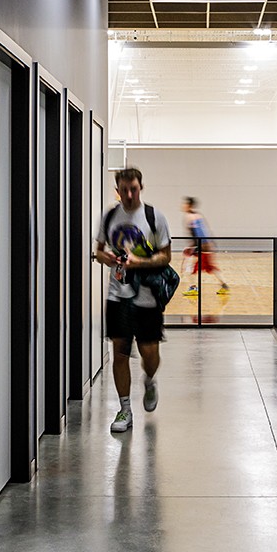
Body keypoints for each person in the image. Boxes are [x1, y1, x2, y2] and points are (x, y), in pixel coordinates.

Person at [93, 167, 171, 432]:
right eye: (124, 190)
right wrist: (108, 259)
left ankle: (149, 380)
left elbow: (165, 256)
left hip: (147, 298)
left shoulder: (154, 216)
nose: (129, 194)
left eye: (133, 189)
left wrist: (140, 261)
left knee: (150, 353)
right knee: (120, 353)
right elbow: (99, 251)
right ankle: (125, 410)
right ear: (118, 190)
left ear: (141, 187)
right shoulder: (109, 216)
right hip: (118, 296)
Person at [181, 196, 230, 297]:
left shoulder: (189, 217)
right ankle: (224, 286)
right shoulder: (198, 215)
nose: (183, 205)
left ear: (189, 205)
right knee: (210, 267)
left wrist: (194, 247)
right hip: (207, 246)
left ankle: (194, 288)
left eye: (185, 203)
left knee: (189, 267)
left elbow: (199, 234)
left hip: (202, 246)